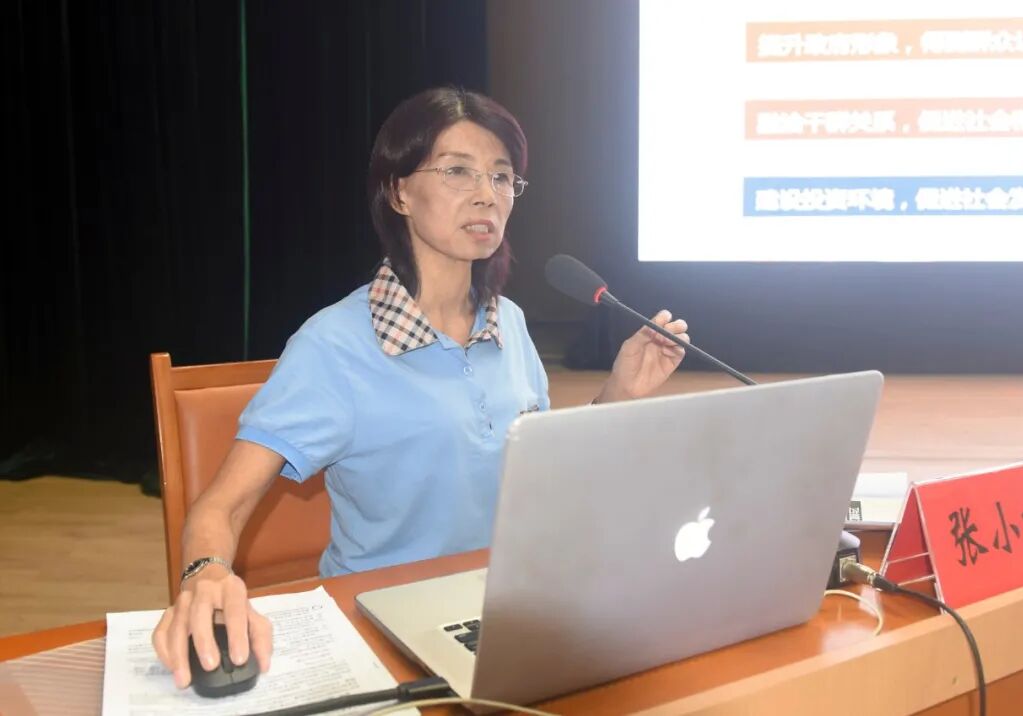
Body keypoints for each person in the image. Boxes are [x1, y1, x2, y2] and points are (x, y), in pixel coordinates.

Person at [151, 86, 690, 689]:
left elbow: (543, 477)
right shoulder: (334, 346)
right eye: (458, 171)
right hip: (382, 626)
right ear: (399, 191)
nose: (487, 193)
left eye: (502, 176)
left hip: (505, 605)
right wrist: (205, 574)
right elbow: (220, 506)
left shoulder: (508, 322)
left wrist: (619, 393)